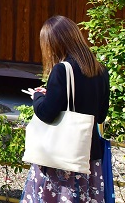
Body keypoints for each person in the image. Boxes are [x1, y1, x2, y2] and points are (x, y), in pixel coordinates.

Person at [20, 15, 110, 203]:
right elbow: (100, 116)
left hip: (61, 161)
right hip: (89, 159)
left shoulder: (62, 69)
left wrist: (38, 96)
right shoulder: (100, 70)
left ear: (54, 43)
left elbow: (47, 113)